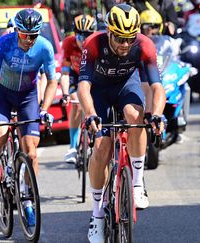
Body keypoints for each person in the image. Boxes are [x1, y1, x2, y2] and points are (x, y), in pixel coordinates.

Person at [77, 4, 166, 243]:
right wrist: (90, 114)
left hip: (127, 85)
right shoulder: (93, 44)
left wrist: (156, 114)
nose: (125, 45)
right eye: (119, 38)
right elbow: (83, 86)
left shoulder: (145, 45)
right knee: (102, 148)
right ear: (108, 32)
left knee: (136, 116)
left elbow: (157, 87)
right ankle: (96, 215)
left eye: (129, 39)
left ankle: (137, 183)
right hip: (100, 91)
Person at [0, 8, 58, 226]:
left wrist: (45, 109)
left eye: (34, 35)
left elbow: (52, 80)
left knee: (31, 153)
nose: (30, 40)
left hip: (28, 97)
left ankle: (27, 200)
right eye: (26, 35)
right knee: (1, 132)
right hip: (4, 94)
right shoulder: (4, 44)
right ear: (17, 31)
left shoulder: (44, 47)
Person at [61, 14, 97, 163]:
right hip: (76, 77)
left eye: (87, 35)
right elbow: (64, 72)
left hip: (95, 77)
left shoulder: (98, 43)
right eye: (79, 36)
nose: (83, 40)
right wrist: (64, 94)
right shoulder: (69, 43)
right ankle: (73, 146)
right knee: (76, 102)